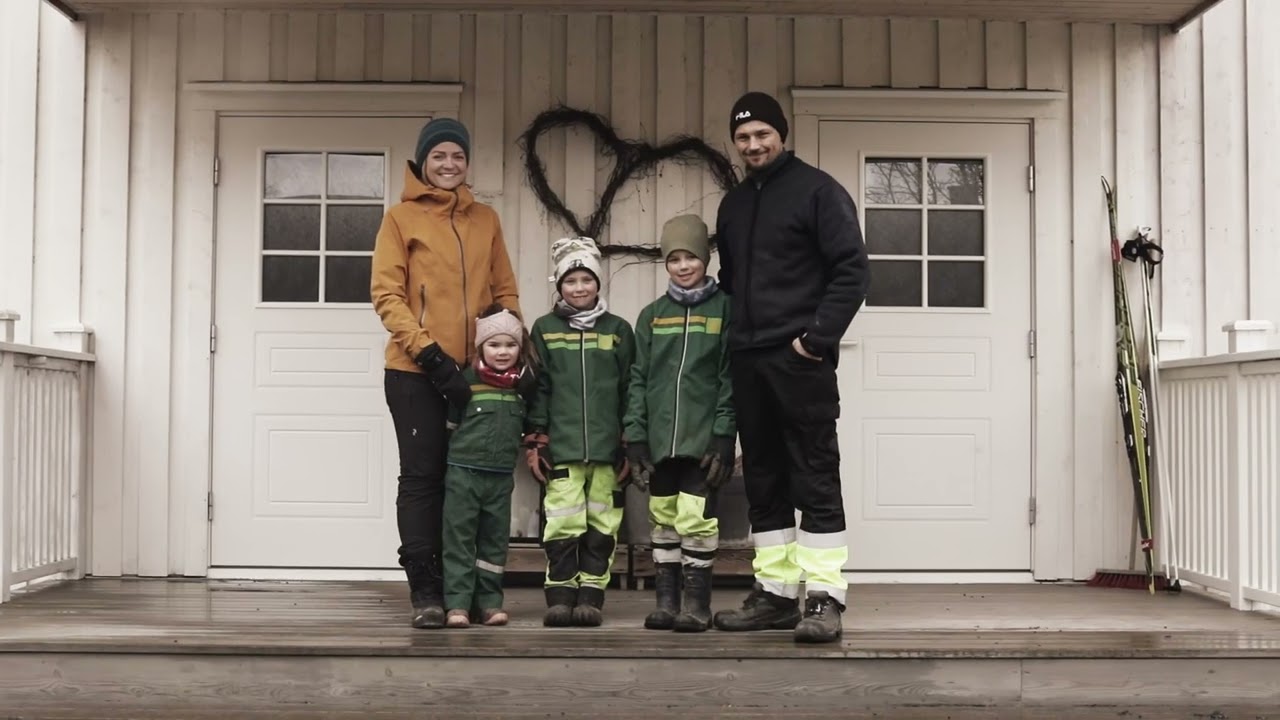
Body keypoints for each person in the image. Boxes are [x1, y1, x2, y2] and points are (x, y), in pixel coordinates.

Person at [709, 91, 870, 643]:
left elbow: (852, 272)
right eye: (743, 137)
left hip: (798, 361)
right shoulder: (731, 205)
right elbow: (731, 283)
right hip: (749, 360)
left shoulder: (819, 192)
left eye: (762, 134)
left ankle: (824, 597)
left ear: (781, 134)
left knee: (814, 475)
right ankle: (775, 595)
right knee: (764, 480)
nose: (753, 145)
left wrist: (814, 340)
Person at [371, 117, 521, 629]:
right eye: (439, 156)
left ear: (467, 163)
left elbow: (505, 293)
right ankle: (426, 591)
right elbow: (386, 296)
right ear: (423, 162)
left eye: (458, 156)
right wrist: (429, 354)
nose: (449, 165)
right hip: (415, 372)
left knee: (467, 482)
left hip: (473, 373)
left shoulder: (486, 220)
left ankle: (468, 592)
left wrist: (509, 347)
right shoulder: (400, 219)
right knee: (423, 477)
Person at [624, 215, 735, 633]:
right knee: (664, 517)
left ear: (705, 259)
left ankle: (697, 605)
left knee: (697, 520)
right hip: (657, 440)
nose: (683, 266)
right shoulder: (652, 315)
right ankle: (666, 602)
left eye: (691, 257)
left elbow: (729, 377)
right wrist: (635, 436)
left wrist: (724, 432)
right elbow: (638, 377)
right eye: (674, 258)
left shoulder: (725, 309)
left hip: (702, 440)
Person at [524, 237, 636, 627]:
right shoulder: (545, 329)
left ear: (598, 283)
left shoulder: (618, 330)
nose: (579, 288)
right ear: (559, 286)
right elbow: (539, 387)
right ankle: (560, 594)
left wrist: (629, 440)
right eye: (570, 281)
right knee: (562, 522)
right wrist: (537, 438)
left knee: (603, 525)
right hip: (562, 448)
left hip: (607, 451)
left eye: (586, 279)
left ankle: (591, 594)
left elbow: (629, 389)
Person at [440, 305, 536, 628]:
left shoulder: (521, 388)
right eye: (494, 345)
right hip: (463, 473)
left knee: (494, 542)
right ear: (481, 347)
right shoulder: (465, 382)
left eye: (510, 345)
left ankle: (490, 603)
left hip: (499, 478)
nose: (503, 352)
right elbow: (451, 425)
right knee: (460, 540)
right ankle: (457, 605)